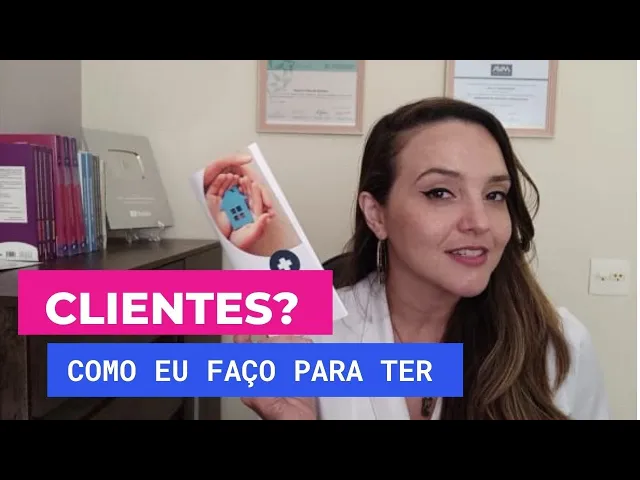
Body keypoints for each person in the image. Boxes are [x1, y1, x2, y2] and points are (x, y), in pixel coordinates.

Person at [232, 97, 610, 420]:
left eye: (495, 195)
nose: (480, 222)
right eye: (441, 192)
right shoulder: (310, 340)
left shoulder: (560, 347)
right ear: (376, 214)